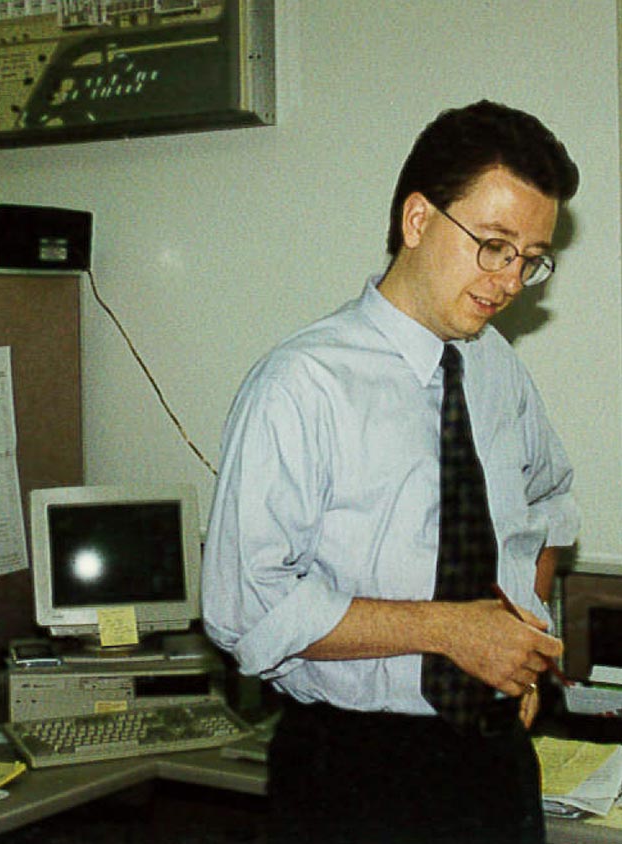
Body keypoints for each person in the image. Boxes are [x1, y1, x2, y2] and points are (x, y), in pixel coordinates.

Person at [202, 100, 580, 844]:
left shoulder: (496, 368)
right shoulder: (302, 383)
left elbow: (552, 498)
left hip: (497, 762)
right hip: (359, 772)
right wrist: (449, 631)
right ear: (417, 220)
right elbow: (247, 606)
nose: (509, 281)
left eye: (531, 259)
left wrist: (523, 642)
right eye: (495, 245)